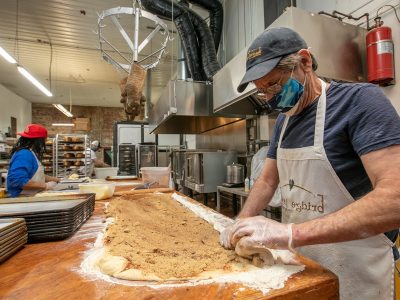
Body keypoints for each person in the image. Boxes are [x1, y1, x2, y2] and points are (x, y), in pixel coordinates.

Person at [219, 27, 400, 300]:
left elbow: (395, 199)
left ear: (304, 62)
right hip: (303, 268)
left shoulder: (360, 102)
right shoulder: (284, 120)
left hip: (356, 269)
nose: (269, 98)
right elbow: (268, 180)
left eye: (274, 85)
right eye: (261, 92)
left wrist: (290, 233)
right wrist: (240, 222)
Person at [7, 124, 60, 197]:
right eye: (44, 140)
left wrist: (58, 180)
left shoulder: (30, 153)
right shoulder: (24, 154)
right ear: (39, 141)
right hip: (22, 200)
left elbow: (36, 175)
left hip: (30, 198)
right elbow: (18, 181)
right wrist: (45, 186)